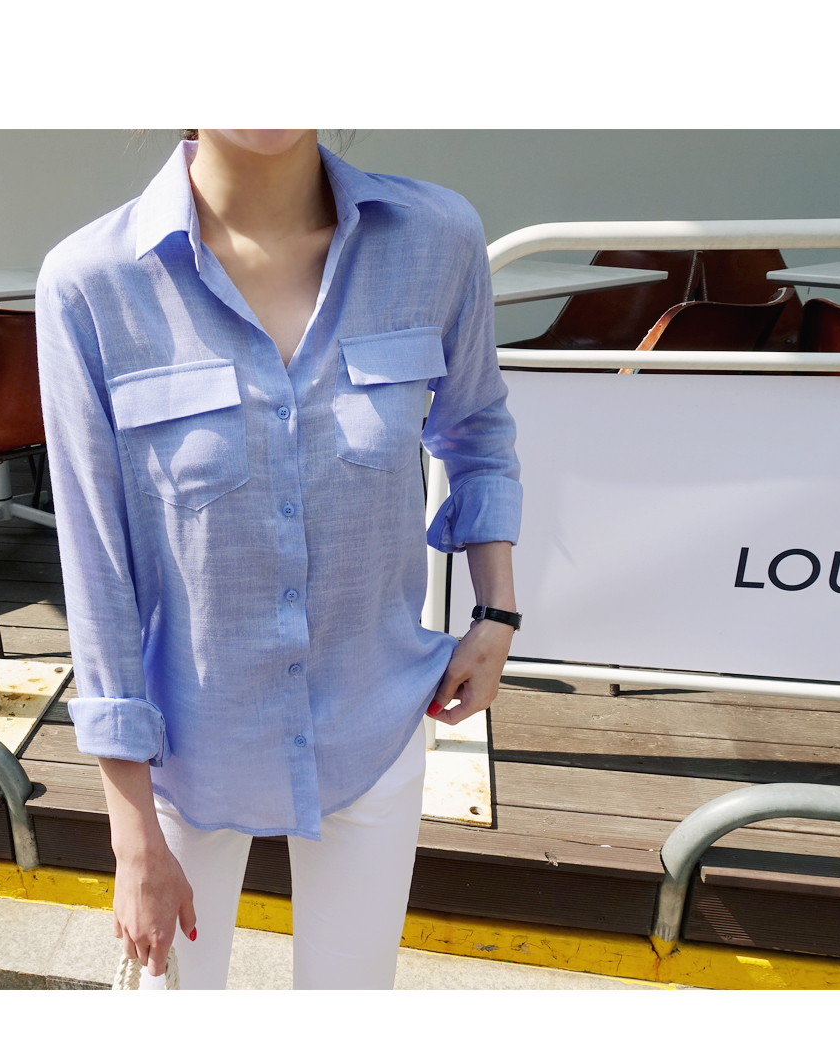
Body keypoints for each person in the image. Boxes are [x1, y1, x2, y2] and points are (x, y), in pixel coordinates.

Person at [35, 130, 521, 990]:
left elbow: (477, 427)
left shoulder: (437, 240)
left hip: (373, 719)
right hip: (184, 750)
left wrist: (496, 612)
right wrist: (131, 835)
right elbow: (95, 560)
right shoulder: (91, 283)